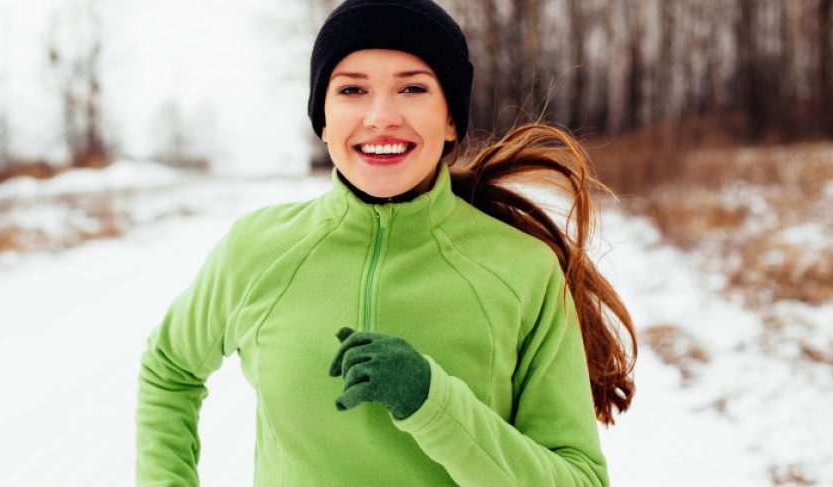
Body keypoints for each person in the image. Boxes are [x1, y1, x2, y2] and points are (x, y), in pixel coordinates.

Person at [136, 0, 637, 485]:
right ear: (323, 120)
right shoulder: (257, 251)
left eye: (413, 89)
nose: (381, 116)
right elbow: (169, 369)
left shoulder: (523, 270)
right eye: (352, 91)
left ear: (450, 120)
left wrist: (431, 402)